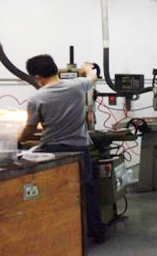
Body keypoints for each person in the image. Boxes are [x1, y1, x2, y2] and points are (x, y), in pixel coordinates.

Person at [20, 54, 107, 243]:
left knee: (55, 191)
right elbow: (93, 76)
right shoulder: (77, 85)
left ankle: (61, 232)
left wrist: (19, 139)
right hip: (79, 149)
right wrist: (87, 66)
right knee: (87, 189)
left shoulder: (36, 98)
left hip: (51, 151)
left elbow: (31, 128)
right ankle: (97, 231)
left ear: (37, 77)